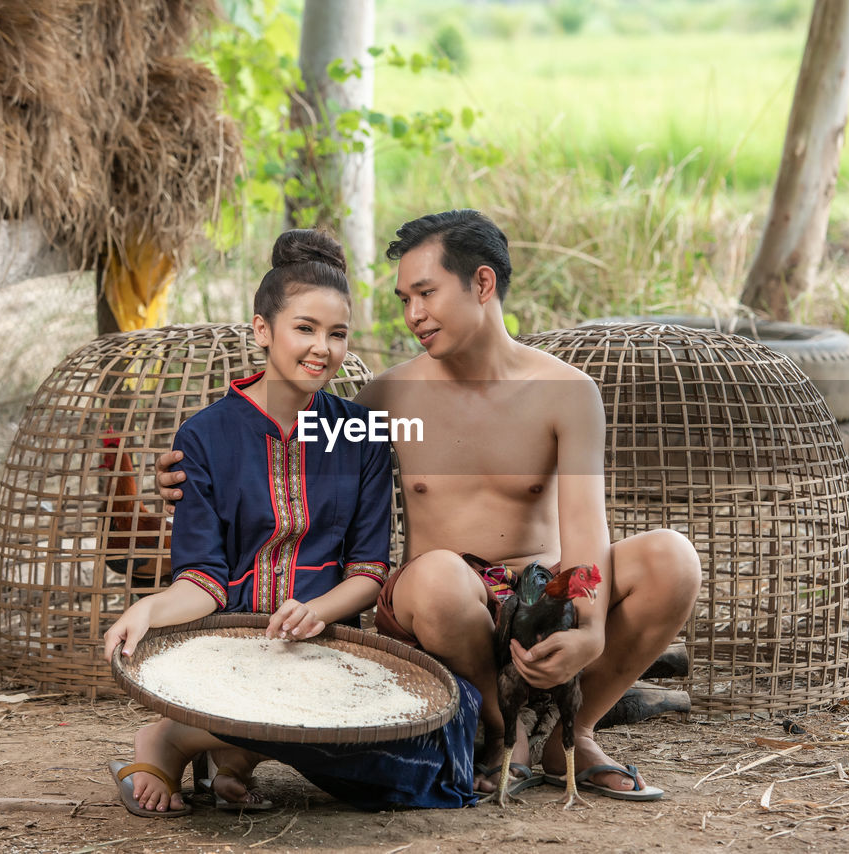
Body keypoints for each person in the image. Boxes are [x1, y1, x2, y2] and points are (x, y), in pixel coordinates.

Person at [158, 210, 701, 802]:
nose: (413, 314)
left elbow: (585, 531)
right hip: (438, 612)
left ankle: (575, 731)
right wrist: (188, 475)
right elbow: (284, 459)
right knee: (441, 575)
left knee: (672, 559)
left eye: (426, 293)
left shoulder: (565, 394)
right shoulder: (387, 399)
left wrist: (591, 628)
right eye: (404, 298)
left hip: (538, 601)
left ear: (483, 285)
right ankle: (503, 731)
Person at [104, 229, 479, 817]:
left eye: (337, 333)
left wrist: (318, 612)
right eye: (304, 328)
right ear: (262, 331)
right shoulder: (204, 437)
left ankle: (226, 745)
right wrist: (147, 610)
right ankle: (171, 738)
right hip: (226, 648)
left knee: (433, 770)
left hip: (324, 650)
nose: (322, 348)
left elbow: (368, 570)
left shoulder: (361, 433)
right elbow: (201, 581)